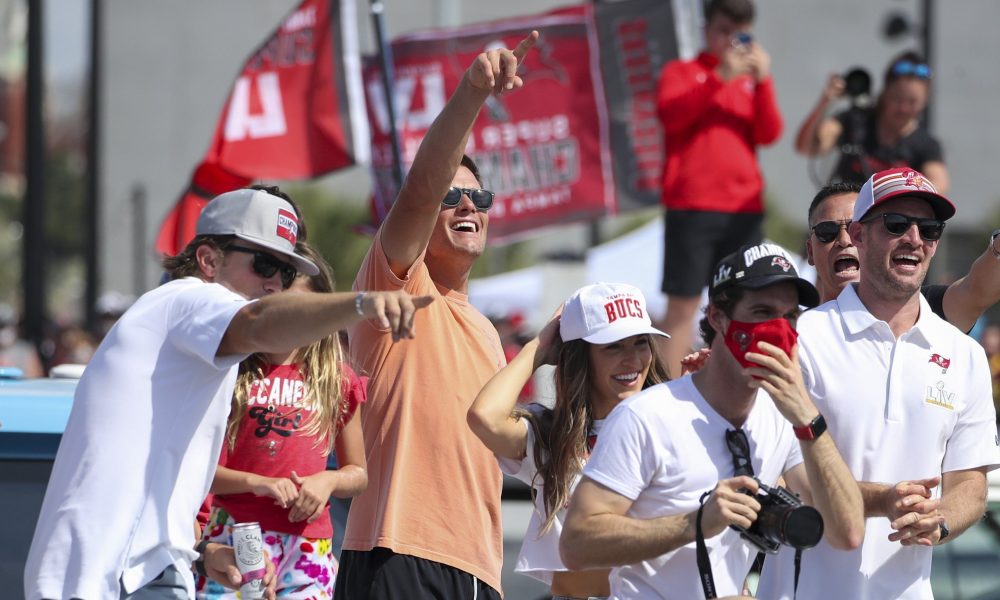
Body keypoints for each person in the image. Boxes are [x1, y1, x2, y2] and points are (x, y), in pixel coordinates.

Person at [24, 187, 431, 600]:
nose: (276, 285)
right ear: (208, 260)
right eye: (264, 264)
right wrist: (362, 303)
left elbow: (173, 484)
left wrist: (203, 555)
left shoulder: (195, 348)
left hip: (138, 571)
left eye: (287, 273)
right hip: (109, 579)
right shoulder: (190, 299)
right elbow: (257, 321)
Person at [333, 31, 539, 600]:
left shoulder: (486, 331)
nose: (468, 206)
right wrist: (473, 92)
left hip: (477, 569)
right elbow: (421, 190)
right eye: (454, 198)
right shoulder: (396, 283)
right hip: (395, 556)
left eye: (480, 198)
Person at [560, 243, 864, 599]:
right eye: (762, 312)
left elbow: (847, 532)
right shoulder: (648, 415)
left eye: (790, 317)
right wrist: (695, 523)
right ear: (718, 318)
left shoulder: (782, 417)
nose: (778, 330)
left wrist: (807, 418)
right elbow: (576, 544)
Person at [757, 168, 1000, 599]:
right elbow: (782, 479)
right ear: (859, 235)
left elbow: (971, 485)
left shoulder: (963, 354)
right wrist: (883, 500)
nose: (913, 238)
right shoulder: (801, 338)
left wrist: (939, 519)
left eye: (929, 228)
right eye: (895, 224)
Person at [468, 283, 670, 598]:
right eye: (613, 346)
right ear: (580, 356)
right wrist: (538, 346)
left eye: (640, 343)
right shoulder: (551, 434)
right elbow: (485, 418)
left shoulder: (673, 422)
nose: (632, 360)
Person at [197, 242, 367, 599]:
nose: (291, 322)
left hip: (310, 545)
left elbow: (358, 473)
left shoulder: (337, 380)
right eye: (281, 311)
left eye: (303, 311)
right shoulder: (230, 372)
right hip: (237, 536)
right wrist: (259, 483)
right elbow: (202, 474)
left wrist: (328, 481)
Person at [655, 0, 783, 376]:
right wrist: (719, 78)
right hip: (691, 207)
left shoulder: (750, 80)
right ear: (707, 30)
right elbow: (671, 115)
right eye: (723, 32)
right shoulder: (681, 72)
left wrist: (763, 81)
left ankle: (743, 381)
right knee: (683, 305)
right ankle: (664, 390)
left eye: (739, 34)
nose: (730, 42)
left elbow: (769, 132)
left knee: (745, 302)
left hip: (743, 210)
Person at [806, 176, 1000, 332]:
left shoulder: (926, 312)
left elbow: (976, 291)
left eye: (928, 228)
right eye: (827, 232)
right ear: (810, 252)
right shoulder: (800, 333)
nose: (844, 240)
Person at [796, 51, 948, 192]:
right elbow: (807, 147)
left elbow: (938, 187)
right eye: (897, 99)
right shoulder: (854, 121)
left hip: (893, 217)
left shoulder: (926, 145)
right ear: (884, 93)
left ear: (925, 102)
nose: (904, 108)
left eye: (912, 102)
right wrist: (826, 101)